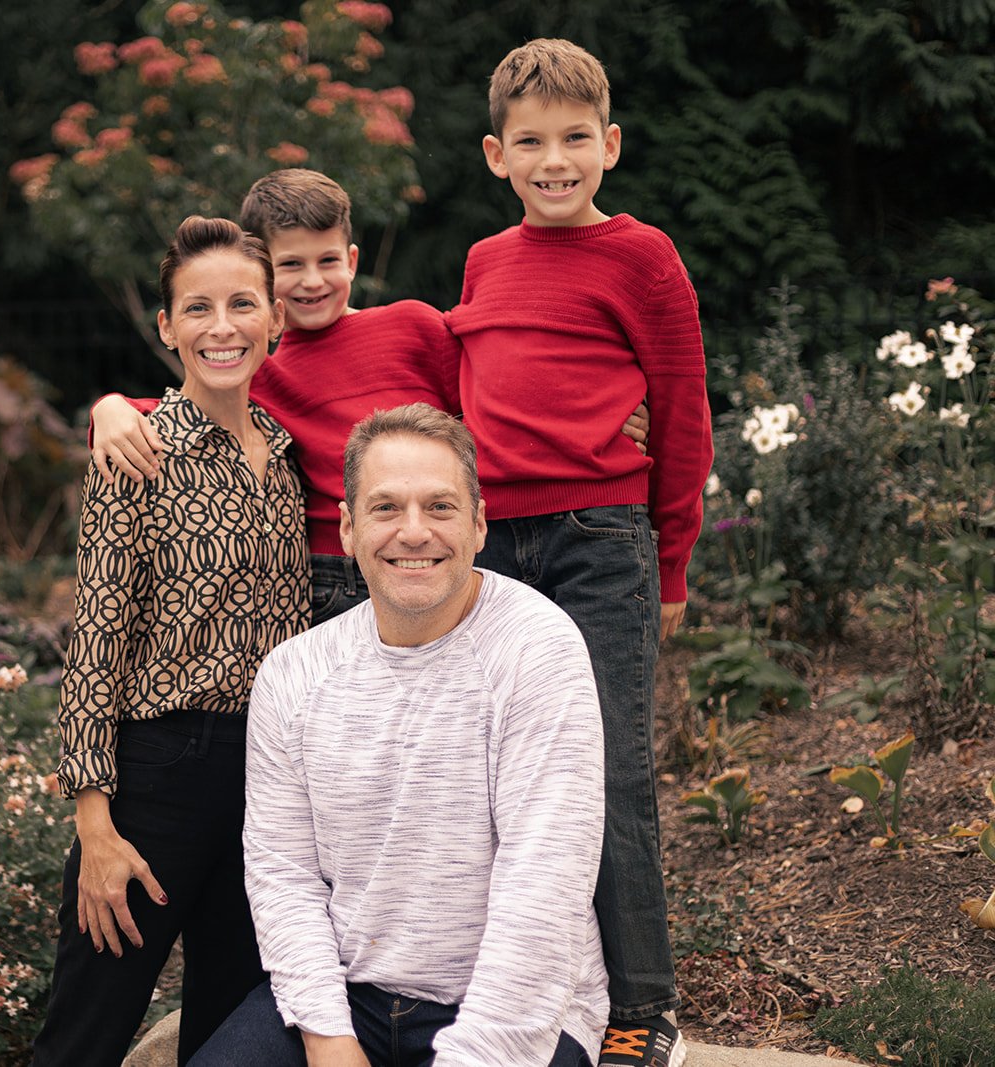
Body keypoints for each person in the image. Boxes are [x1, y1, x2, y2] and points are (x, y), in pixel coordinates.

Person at [192, 403, 607, 1067]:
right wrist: (328, 1039)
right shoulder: (293, 674)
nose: (413, 532)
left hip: (512, 1004)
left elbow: (545, 883)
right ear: (349, 529)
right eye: (386, 508)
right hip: (346, 994)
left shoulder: (538, 649)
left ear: (478, 524)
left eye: (439, 506)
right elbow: (284, 875)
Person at [445, 38, 712, 1066]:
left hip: (602, 538)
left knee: (607, 770)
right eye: (529, 142)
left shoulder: (643, 257)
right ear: (494, 154)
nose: (552, 160)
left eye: (572, 139)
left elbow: (682, 413)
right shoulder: (484, 260)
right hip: (491, 545)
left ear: (608, 144)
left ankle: (641, 1006)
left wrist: (673, 561)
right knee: (501, 770)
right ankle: (521, 985)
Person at [90, 169, 649, 628]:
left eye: (327, 261)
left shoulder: (414, 327)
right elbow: (188, 408)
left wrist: (598, 413)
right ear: (262, 273)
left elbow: (498, 399)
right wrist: (110, 409)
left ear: (352, 260)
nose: (313, 281)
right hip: (328, 573)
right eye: (290, 266)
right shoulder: (258, 369)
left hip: (424, 554)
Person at [31, 216, 310, 1067]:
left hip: (267, 783)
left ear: (271, 319)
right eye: (197, 308)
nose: (220, 327)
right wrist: (96, 827)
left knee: (231, 1035)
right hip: (158, 776)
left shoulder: (292, 459)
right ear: (167, 326)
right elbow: (95, 643)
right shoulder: (136, 453)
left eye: (240, 304)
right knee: (89, 1026)